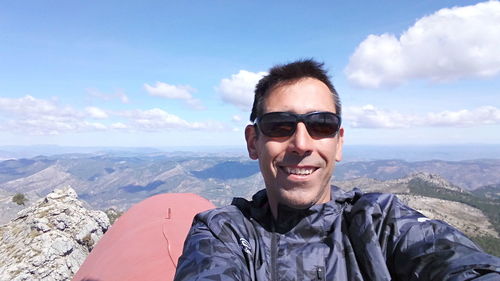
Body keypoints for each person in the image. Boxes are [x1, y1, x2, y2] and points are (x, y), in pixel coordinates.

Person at [174, 59, 500, 280]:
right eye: (278, 126)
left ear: (338, 143)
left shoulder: (382, 223)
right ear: (253, 142)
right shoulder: (223, 234)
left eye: (321, 125)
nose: (301, 143)